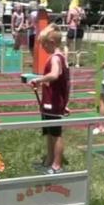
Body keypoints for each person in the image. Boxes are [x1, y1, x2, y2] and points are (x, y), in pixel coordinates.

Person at [28, 26, 70, 175]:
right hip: (51, 102)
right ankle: (49, 161)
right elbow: (67, 83)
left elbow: (55, 74)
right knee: (49, 133)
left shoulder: (55, 58)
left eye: (43, 44)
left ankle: (57, 166)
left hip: (53, 102)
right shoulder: (60, 57)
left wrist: (39, 80)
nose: (42, 47)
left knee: (56, 134)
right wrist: (66, 103)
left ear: (51, 42)